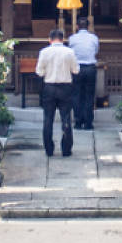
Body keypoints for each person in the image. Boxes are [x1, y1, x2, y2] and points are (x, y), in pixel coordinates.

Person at [36, 28, 79, 157]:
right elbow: (76, 70)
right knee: (66, 117)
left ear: (50, 39)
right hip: (65, 87)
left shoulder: (44, 52)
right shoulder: (69, 52)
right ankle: (66, 149)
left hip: (49, 86)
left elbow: (39, 72)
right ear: (62, 39)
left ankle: (49, 149)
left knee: (48, 118)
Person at [69, 17, 99, 130]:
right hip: (90, 67)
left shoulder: (72, 38)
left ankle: (77, 121)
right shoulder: (94, 38)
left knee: (76, 94)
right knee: (89, 95)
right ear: (88, 26)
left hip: (77, 67)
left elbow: (71, 52)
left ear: (77, 26)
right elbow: (96, 51)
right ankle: (88, 123)